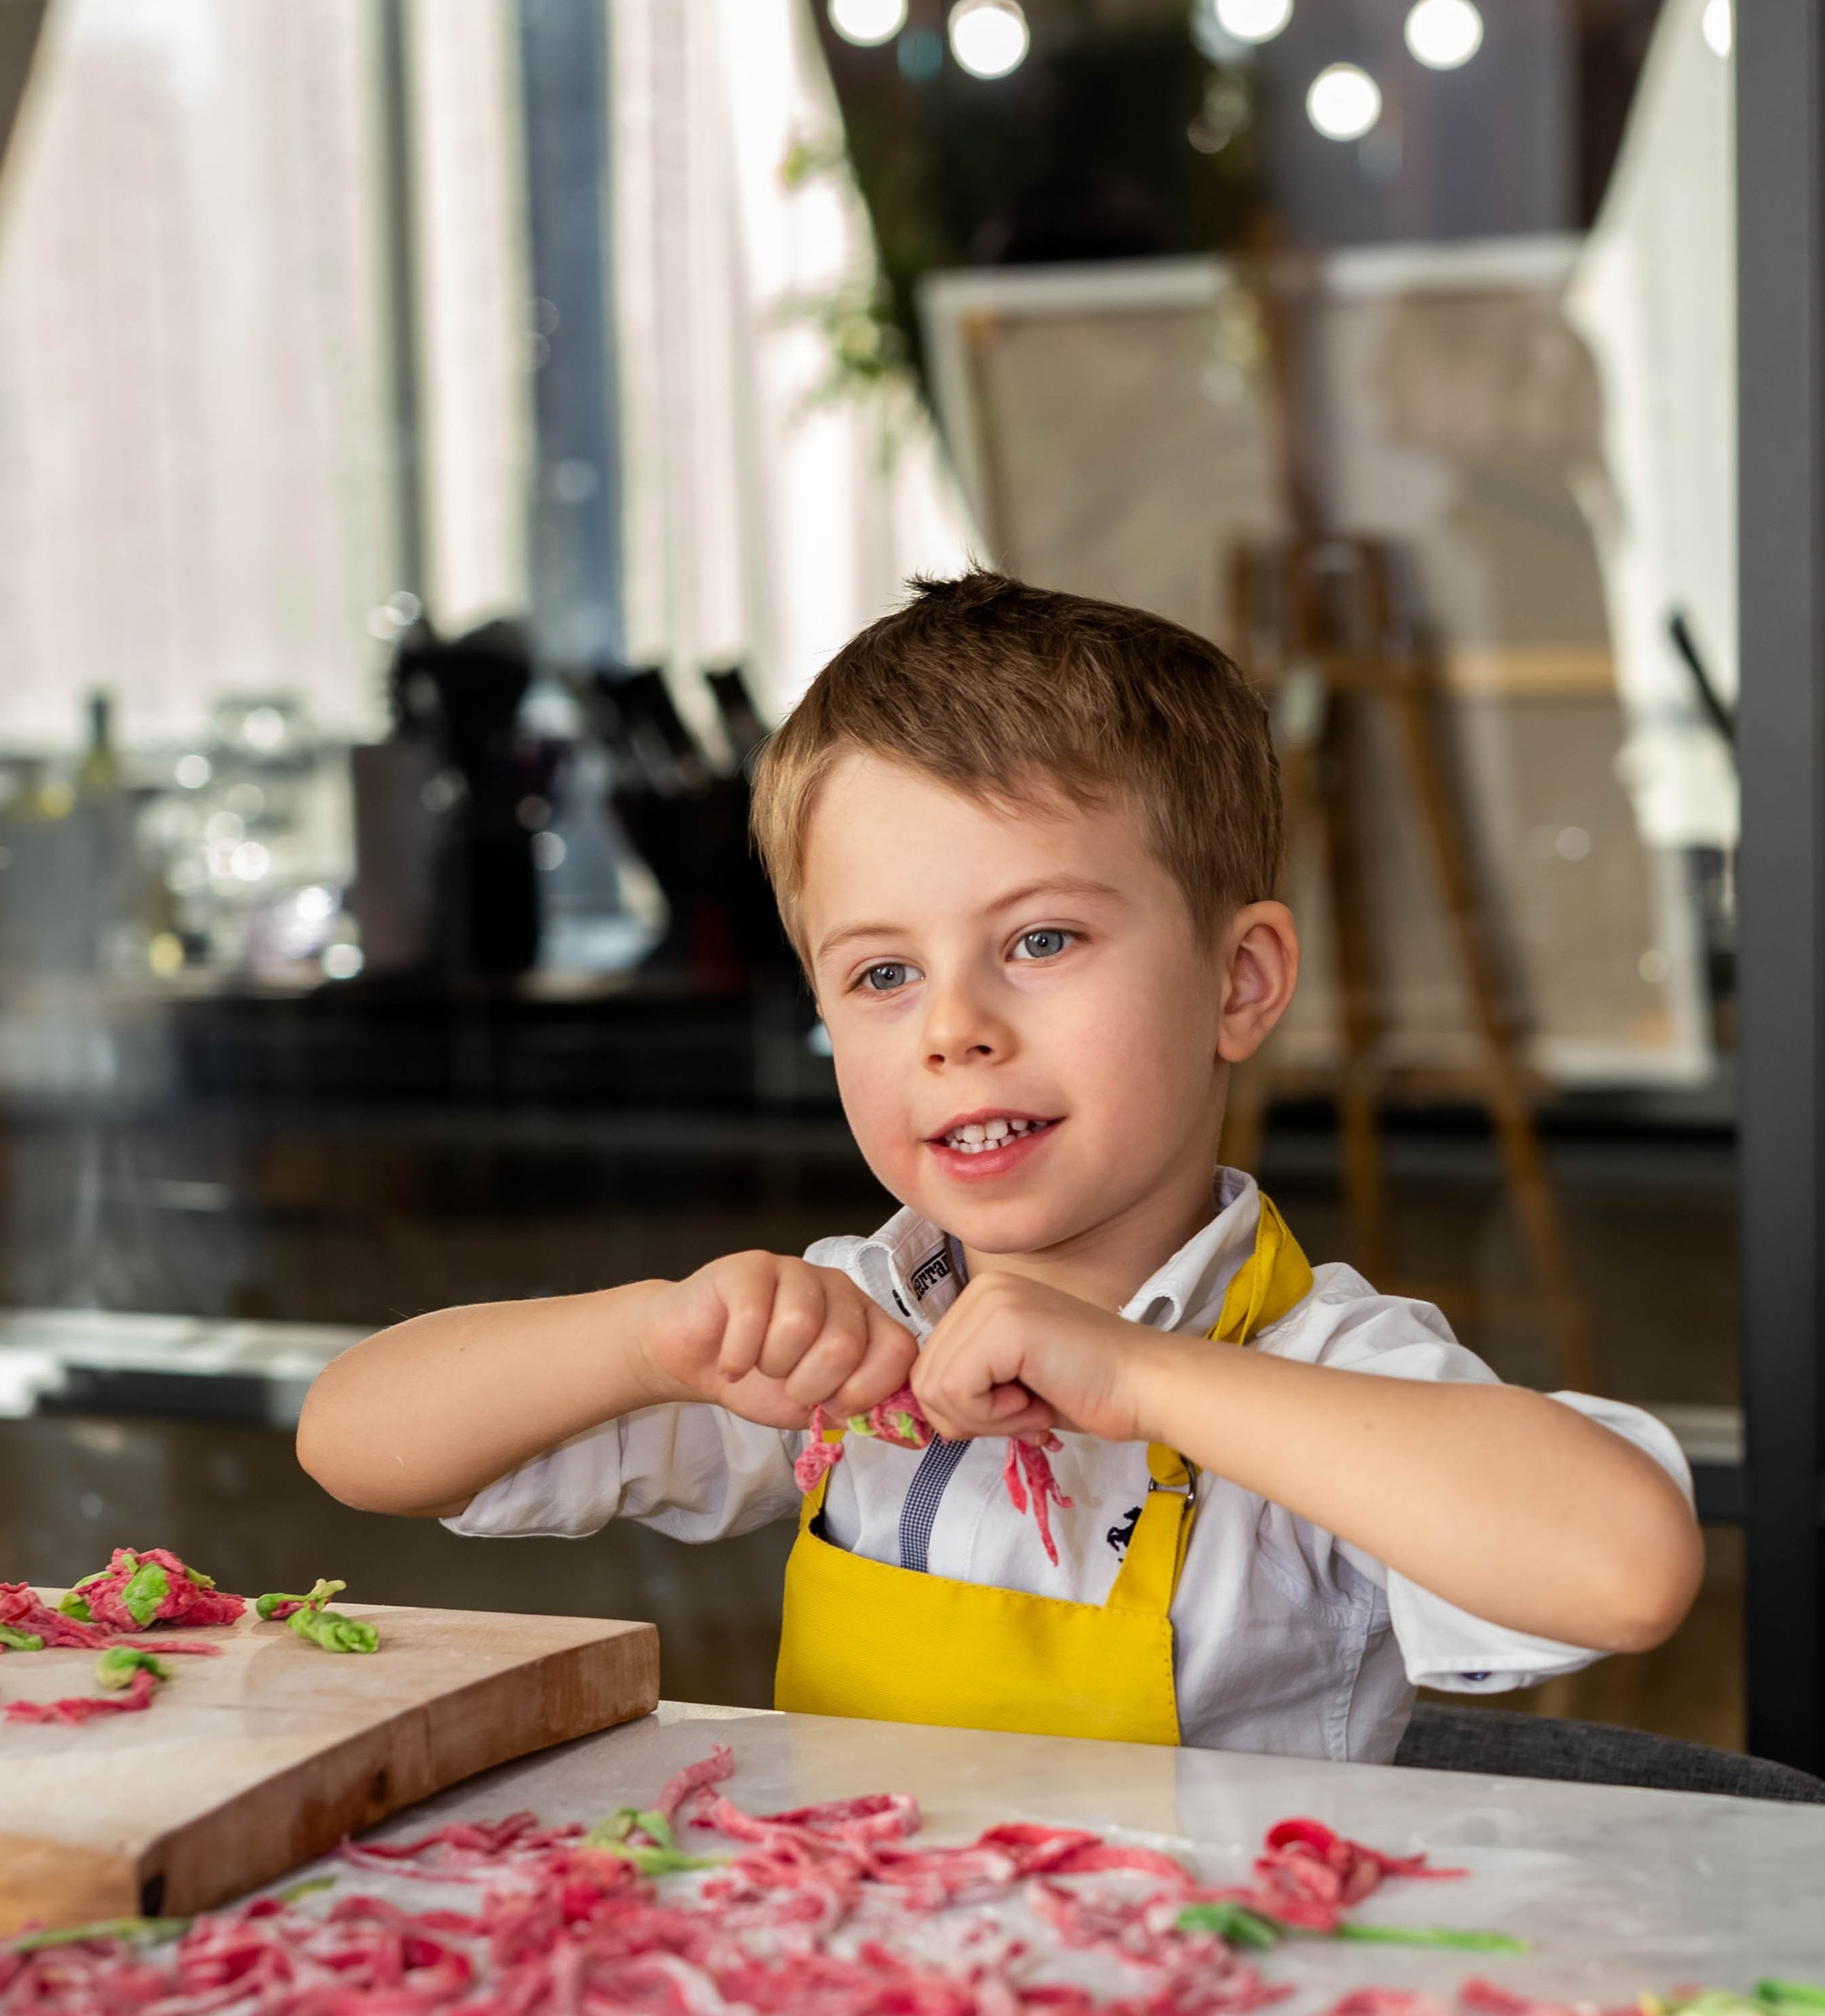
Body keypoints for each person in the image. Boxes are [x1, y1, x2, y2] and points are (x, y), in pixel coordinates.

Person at [297, 572, 1703, 1761]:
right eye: (884, 972)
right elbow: (357, 1442)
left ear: (1240, 979)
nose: (957, 1029)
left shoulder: (1315, 1364)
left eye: (1040, 941)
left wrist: (1140, 1377)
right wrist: (651, 1338)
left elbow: (1623, 1568)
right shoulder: (839, 1345)